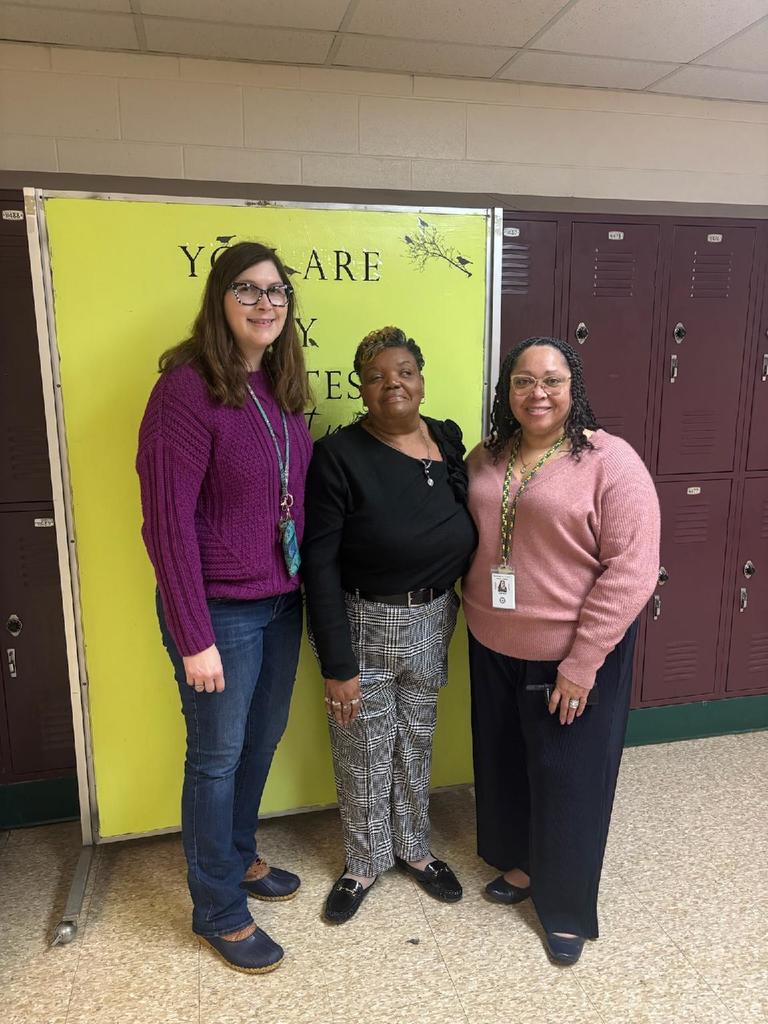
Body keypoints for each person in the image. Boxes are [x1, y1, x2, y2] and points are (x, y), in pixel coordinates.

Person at [136, 241, 313, 973]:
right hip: (219, 613)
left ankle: (238, 857)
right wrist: (193, 635)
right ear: (219, 299)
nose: (265, 303)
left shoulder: (275, 387)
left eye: (277, 292)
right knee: (214, 758)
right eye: (249, 289)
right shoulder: (185, 389)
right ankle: (216, 909)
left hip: (280, 604)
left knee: (258, 745)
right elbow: (165, 521)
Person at [463, 336, 660, 965]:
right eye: (523, 381)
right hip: (493, 641)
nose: (537, 392)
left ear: (574, 389)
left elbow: (632, 569)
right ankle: (523, 867)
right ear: (507, 391)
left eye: (551, 380)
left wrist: (581, 664)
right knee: (510, 765)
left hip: (572, 652)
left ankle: (566, 905)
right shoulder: (486, 456)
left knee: (569, 778)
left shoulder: (610, 461)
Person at [302, 326, 477, 923]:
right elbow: (319, 564)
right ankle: (363, 862)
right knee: (364, 746)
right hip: (366, 622)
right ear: (361, 387)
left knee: (416, 740)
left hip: (435, 618)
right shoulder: (338, 456)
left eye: (404, 371)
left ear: (421, 379)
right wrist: (337, 665)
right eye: (376, 376)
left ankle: (416, 850)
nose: (392, 383)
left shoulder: (447, 438)